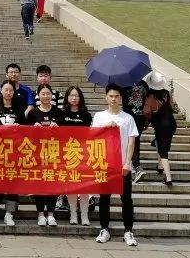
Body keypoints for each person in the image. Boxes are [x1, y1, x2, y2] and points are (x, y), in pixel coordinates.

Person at [92, 83, 139, 246]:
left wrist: (127, 162)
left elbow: (131, 142)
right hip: (105, 164)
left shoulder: (128, 118)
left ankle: (128, 231)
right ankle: (104, 229)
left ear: (121, 98)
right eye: (111, 96)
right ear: (106, 97)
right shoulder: (99, 116)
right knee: (104, 197)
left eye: (116, 96)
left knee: (126, 198)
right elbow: (93, 137)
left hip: (122, 165)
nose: (113, 99)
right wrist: (105, 127)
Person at [0, 80, 26, 226]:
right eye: (6, 90)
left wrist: (19, 127)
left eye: (11, 90)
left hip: (15, 151)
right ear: (1, 91)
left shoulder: (19, 108)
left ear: (14, 92)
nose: (8, 93)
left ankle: (9, 213)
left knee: (13, 182)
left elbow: (26, 130)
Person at [26, 83, 64, 226]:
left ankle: (51, 214)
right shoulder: (33, 113)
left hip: (54, 153)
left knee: (53, 183)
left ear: (52, 96)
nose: (46, 96)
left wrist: (58, 128)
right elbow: (25, 134)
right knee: (39, 184)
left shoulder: (58, 112)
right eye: (43, 94)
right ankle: (41, 214)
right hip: (38, 154)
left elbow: (67, 133)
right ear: (38, 96)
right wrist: (33, 128)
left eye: (48, 94)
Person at [62, 85, 93, 225]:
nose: (74, 98)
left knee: (84, 186)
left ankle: (84, 215)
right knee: (71, 185)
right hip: (67, 154)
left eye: (76, 95)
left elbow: (91, 134)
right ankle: (73, 214)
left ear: (80, 98)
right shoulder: (62, 114)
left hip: (83, 154)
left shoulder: (86, 115)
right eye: (71, 95)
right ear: (67, 98)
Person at [143, 71, 176, 187]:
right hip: (171, 123)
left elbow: (147, 112)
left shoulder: (150, 96)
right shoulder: (167, 93)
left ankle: (168, 178)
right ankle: (160, 166)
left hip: (160, 124)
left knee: (163, 151)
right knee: (159, 142)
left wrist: (146, 123)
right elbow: (171, 107)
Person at [121, 77, 149, 183]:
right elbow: (147, 103)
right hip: (140, 117)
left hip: (128, 117)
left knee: (131, 141)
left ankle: (135, 166)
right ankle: (135, 165)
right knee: (135, 140)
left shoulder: (124, 84)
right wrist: (147, 120)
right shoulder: (144, 84)